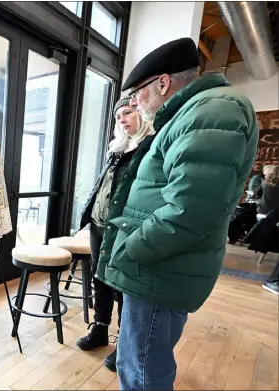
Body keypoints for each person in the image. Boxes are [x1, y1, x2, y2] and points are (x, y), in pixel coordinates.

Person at [96, 38, 259, 390]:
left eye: (137, 92)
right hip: (162, 266)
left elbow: (190, 210)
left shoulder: (212, 111)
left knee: (142, 372)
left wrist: (132, 248)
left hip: (160, 267)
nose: (136, 102)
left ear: (163, 83)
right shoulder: (199, 111)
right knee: (138, 363)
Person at [76, 97, 155, 372]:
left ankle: (123, 343)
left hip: (122, 229)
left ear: (141, 113)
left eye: (127, 112)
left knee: (121, 285)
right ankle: (99, 330)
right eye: (118, 115)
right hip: (100, 224)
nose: (122, 119)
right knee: (101, 280)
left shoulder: (149, 146)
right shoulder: (118, 148)